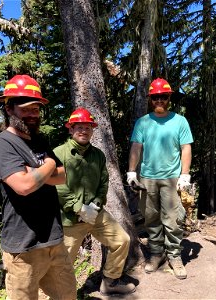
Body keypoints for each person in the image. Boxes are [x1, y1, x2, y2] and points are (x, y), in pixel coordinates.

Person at [0, 74, 77, 300]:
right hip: (23, 246)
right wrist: (47, 166)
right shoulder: (1, 144)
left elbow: (62, 175)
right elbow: (24, 186)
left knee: (67, 296)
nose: (32, 115)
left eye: (36, 109)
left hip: (54, 240)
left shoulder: (39, 140)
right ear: (9, 109)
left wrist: (37, 170)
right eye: (26, 109)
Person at [53, 107, 136, 296]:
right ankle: (61, 296)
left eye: (88, 127)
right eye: (79, 127)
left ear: (92, 130)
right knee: (63, 265)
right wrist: (77, 207)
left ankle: (110, 282)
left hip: (95, 214)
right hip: (69, 220)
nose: (84, 130)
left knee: (122, 240)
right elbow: (57, 186)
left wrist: (96, 204)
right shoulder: (58, 153)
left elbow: (104, 182)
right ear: (70, 129)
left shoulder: (98, 155)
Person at [127, 78, 193, 280]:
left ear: (169, 98)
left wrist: (185, 174)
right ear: (150, 99)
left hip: (172, 178)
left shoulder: (180, 121)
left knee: (173, 220)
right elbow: (136, 147)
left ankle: (174, 256)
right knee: (151, 219)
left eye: (163, 97)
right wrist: (131, 172)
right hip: (147, 179)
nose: (159, 100)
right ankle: (156, 254)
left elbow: (186, 148)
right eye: (155, 97)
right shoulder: (143, 122)